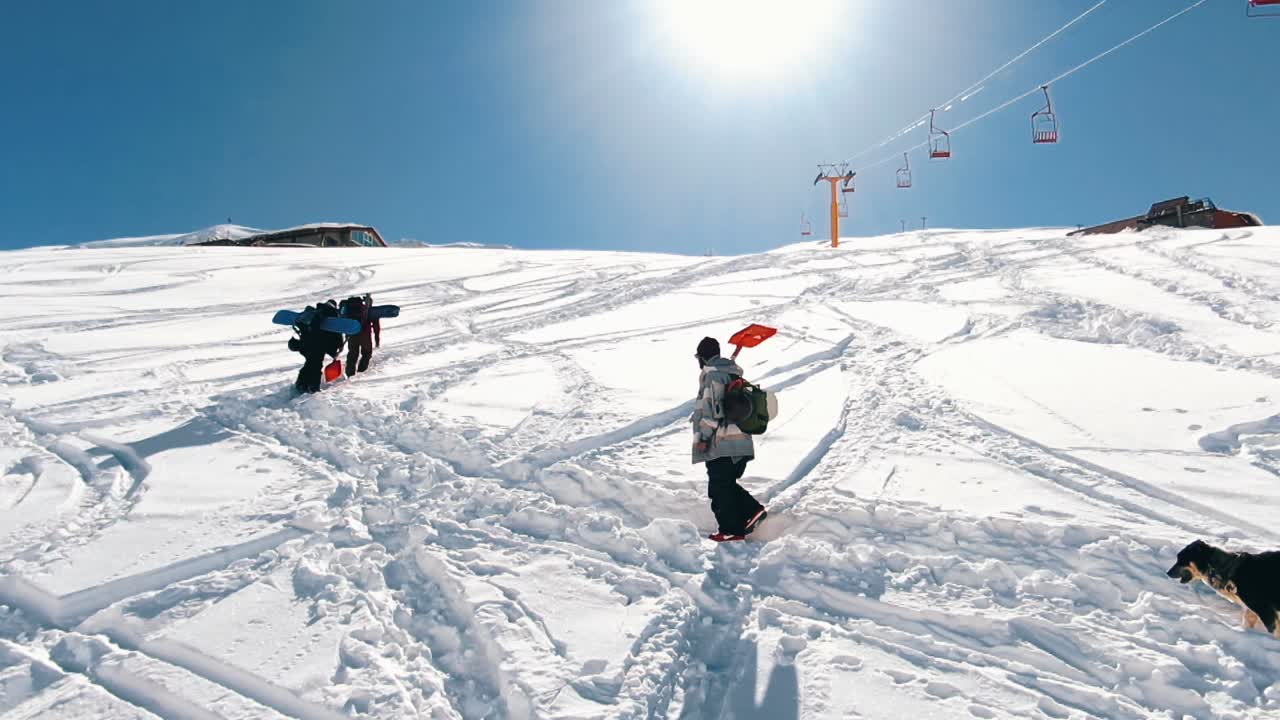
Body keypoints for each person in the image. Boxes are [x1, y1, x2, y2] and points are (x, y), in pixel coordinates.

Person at [692, 336, 767, 541]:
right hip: (740, 441)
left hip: (721, 443)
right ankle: (752, 512)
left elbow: (710, 412)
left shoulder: (713, 376)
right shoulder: (731, 373)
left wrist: (703, 438)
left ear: (703, 357)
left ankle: (731, 529)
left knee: (719, 489)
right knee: (725, 484)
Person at [290, 299, 345, 393]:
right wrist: (336, 349)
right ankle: (313, 388)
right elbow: (336, 334)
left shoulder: (314, 312)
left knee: (309, 363)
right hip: (319, 345)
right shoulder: (332, 315)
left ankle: (301, 384)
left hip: (305, 343)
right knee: (316, 365)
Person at [340, 293, 381, 377]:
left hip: (352, 334)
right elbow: (376, 325)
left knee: (352, 353)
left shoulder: (348, 310)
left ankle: (350, 374)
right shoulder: (368, 310)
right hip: (365, 334)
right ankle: (361, 372)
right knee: (367, 353)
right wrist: (377, 339)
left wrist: (346, 334)